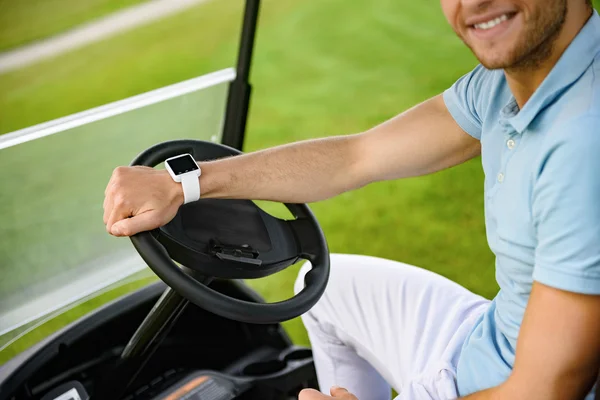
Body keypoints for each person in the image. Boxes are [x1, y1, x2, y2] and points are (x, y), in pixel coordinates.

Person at [103, 0, 600, 398]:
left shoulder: (584, 145)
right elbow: (356, 156)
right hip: (490, 332)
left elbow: (547, 387)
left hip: (511, 382)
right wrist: (183, 182)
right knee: (326, 287)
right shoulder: (503, 87)